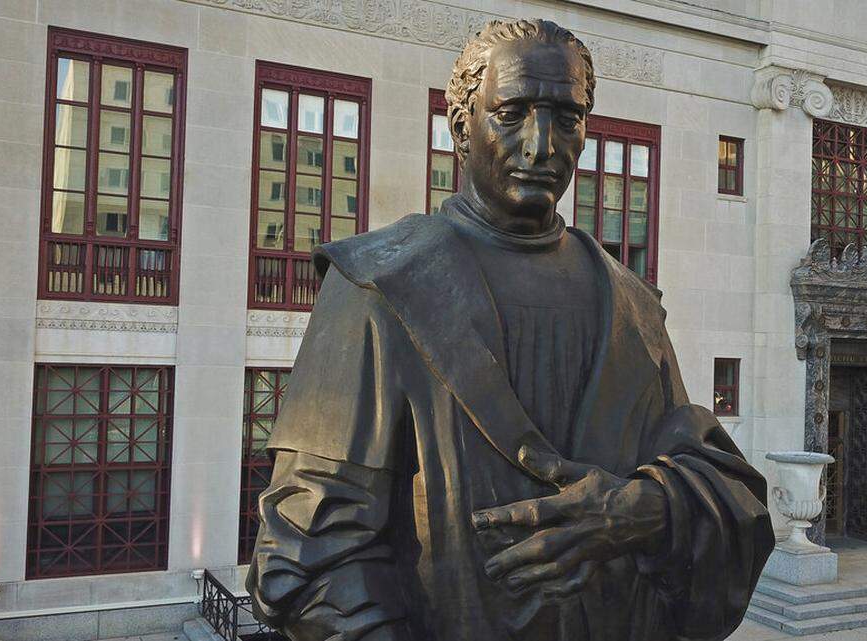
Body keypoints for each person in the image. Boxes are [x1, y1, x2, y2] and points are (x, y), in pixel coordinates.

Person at [246, 18, 774, 641]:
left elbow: (713, 478)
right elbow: (309, 552)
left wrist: (649, 509)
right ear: (461, 125)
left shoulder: (634, 306)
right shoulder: (376, 287)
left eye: (567, 117)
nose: (542, 144)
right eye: (513, 112)